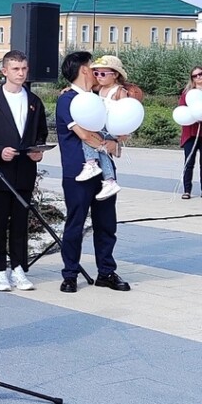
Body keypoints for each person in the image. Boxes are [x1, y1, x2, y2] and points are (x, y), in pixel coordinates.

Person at [56, 51, 130, 294]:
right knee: (75, 223)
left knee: (106, 224)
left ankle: (106, 272)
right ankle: (70, 274)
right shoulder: (68, 100)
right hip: (79, 172)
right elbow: (85, 135)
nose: (96, 71)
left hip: (104, 172)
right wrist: (106, 146)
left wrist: (116, 142)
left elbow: (117, 130)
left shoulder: (98, 99)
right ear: (84, 70)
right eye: (92, 67)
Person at [0, 50, 47, 292]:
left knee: (20, 222)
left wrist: (38, 150)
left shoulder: (34, 101)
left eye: (24, 69)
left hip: (25, 170)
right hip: (1, 171)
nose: (21, 73)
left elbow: (41, 133)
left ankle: (19, 268)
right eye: (16, 69)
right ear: (4, 71)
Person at [75, 55, 132, 200]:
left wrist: (124, 132)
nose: (98, 77)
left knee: (88, 136)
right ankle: (109, 180)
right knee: (103, 151)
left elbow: (128, 111)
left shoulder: (119, 91)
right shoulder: (99, 88)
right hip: (102, 124)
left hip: (111, 126)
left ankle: (91, 163)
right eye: (96, 73)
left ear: (115, 75)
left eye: (103, 74)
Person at [179, 65, 202, 198]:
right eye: (195, 75)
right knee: (189, 162)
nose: (198, 77)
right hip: (190, 133)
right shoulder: (187, 93)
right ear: (192, 78)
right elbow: (182, 109)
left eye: (200, 74)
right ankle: (187, 190)